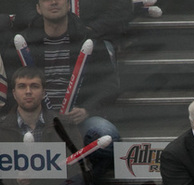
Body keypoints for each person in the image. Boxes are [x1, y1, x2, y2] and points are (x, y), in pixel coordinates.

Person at [16, 0, 120, 144]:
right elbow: (11, 86)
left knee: (106, 134)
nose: (53, 2)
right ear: (38, 8)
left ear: (69, 5)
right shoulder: (23, 42)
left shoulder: (89, 39)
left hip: (79, 121)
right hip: (33, 119)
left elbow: (109, 85)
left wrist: (86, 110)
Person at [0, 66, 82, 144]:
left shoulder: (65, 126)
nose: (28, 91)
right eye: (22, 86)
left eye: (34, 86)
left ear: (43, 93)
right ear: (14, 94)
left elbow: (78, 161)